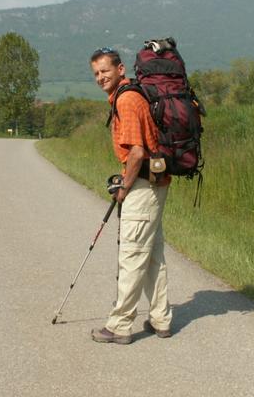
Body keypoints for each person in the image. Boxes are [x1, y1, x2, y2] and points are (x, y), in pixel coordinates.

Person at [89, 47, 172, 344]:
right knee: (152, 255)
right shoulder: (130, 95)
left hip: (143, 186)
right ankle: (161, 319)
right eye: (96, 73)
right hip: (154, 183)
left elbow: (137, 151)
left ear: (121, 69)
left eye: (105, 71)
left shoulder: (127, 100)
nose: (100, 77)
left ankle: (120, 325)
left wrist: (123, 186)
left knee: (132, 255)